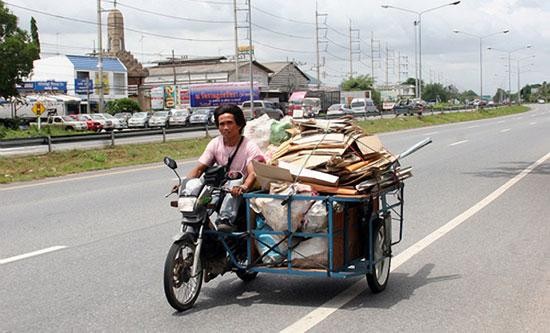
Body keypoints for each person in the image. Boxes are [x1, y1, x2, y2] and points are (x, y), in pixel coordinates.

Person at [186, 104, 264, 231]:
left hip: (240, 195)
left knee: (236, 180)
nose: (225, 127)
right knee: (199, 205)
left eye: (230, 123)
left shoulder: (250, 146)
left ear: (239, 125)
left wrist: (243, 187)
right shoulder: (215, 143)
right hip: (219, 191)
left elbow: (252, 174)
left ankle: (225, 219)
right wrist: (186, 184)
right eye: (221, 124)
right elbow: (200, 169)